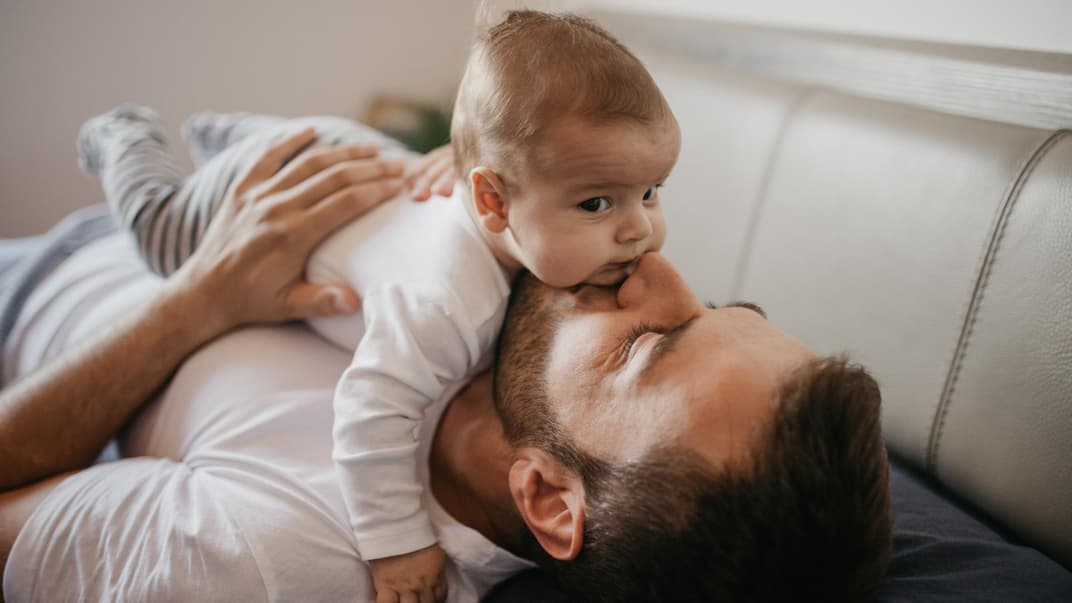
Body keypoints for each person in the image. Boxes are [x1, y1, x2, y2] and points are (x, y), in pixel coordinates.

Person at [0, 135, 893, 602]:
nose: (656, 267)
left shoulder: (277, 554)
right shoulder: (518, 294)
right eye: (725, 308)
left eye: (652, 344)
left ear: (546, 497)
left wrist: (198, 301)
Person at [75, 11, 680, 601]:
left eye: (649, 192)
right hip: (273, 187)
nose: (639, 232)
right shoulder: (444, 305)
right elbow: (370, 412)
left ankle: (220, 130)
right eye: (598, 204)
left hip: (350, 154)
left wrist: (462, 154)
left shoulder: (508, 214)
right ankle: (126, 134)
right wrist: (397, 542)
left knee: (297, 143)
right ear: (492, 202)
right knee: (162, 236)